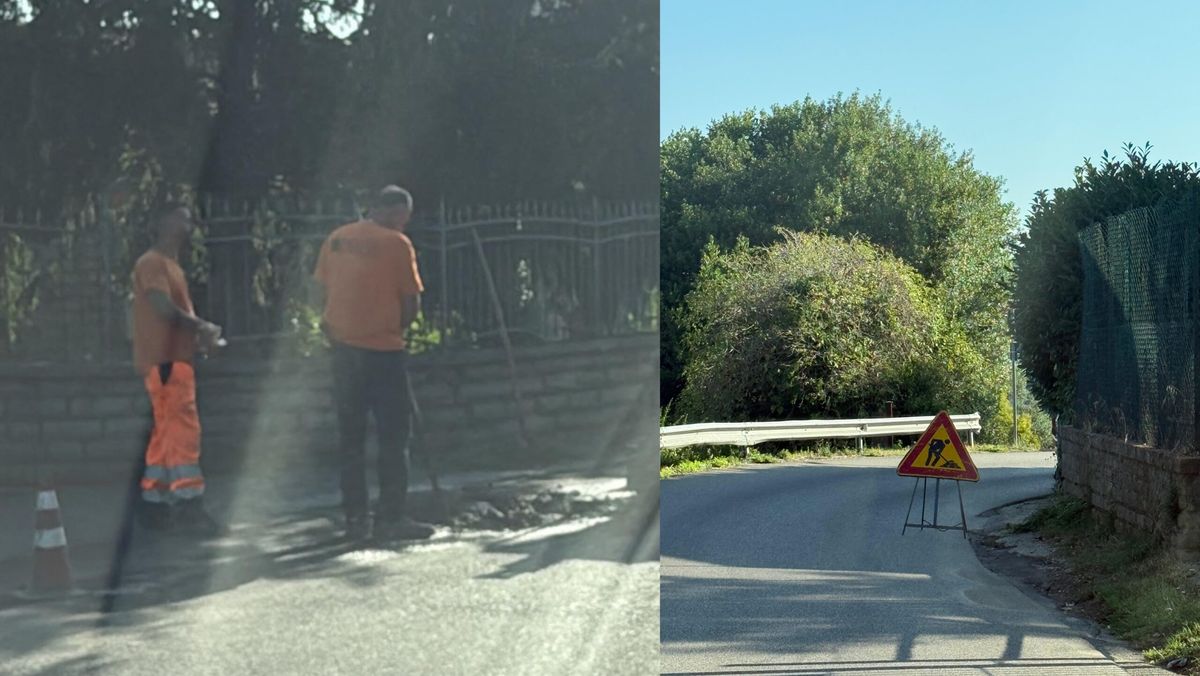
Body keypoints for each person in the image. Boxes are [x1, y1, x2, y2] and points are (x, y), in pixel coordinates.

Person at [313, 186, 435, 542]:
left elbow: (322, 289)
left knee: (351, 438)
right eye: (404, 218)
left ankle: (355, 518)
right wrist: (398, 327)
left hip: (344, 351)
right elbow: (411, 301)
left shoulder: (337, 238)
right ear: (396, 211)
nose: (404, 225)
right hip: (383, 351)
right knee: (394, 437)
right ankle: (391, 517)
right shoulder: (396, 244)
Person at [130, 204, 225, 536]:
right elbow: (161, 307)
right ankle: (188, 509)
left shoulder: (170, 265)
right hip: (166, 361)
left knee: (166, 437)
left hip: (171, 360)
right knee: (183, 437)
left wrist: (197, 337)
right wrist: (201, 326)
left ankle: (154, 507)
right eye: (181, 218)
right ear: (162, 222)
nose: (188, 224)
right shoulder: (153, 263)